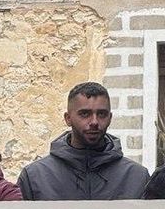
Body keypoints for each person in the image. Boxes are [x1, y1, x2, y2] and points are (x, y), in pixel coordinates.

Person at [17, 81, 149, 200]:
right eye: (85, 114)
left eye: (101, 114)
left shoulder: (137, 177)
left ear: (110, 118)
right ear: (68, 118)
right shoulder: (35, 177)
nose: (94, 122)